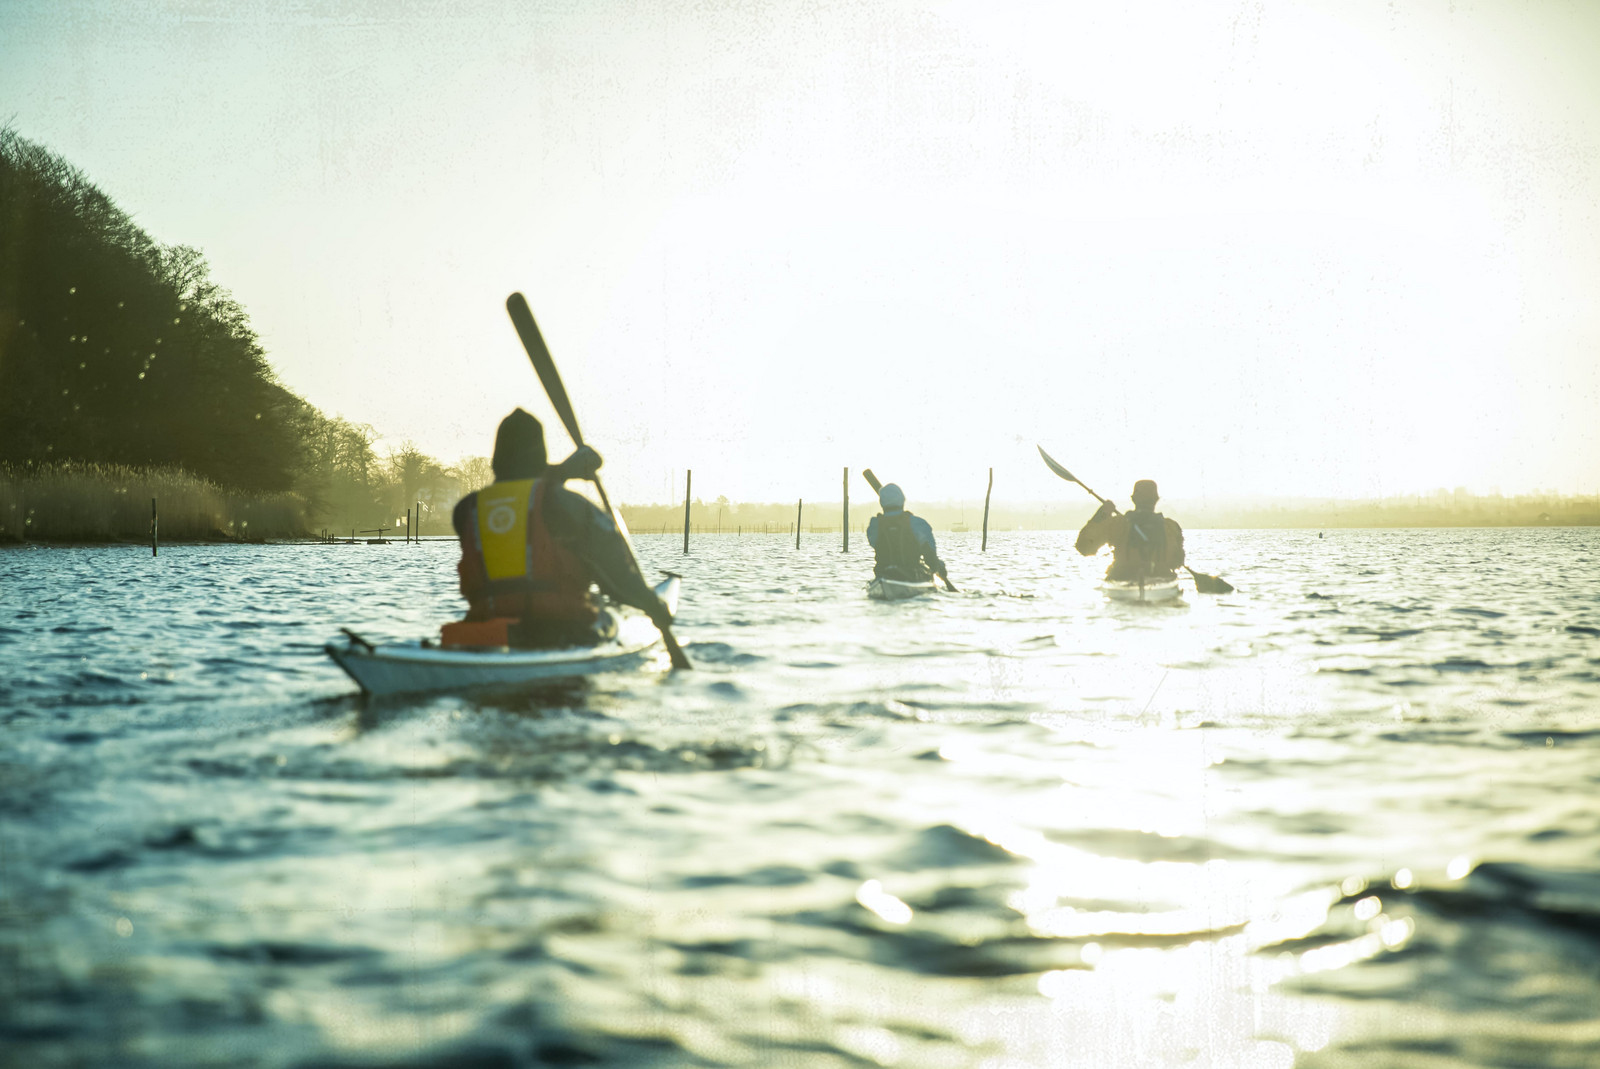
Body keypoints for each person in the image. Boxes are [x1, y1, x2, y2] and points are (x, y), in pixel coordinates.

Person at [449, 408, 673, 648]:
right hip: (561, 633)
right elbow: (618, 583)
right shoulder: (567, 506)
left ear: (496, 460)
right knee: (607, 614)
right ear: (541, 457)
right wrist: (655, 607)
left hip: (484, 635)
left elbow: (518, 491)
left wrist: (564, 471)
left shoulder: (466, 510)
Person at [1074, 479, 1185, 581]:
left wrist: (1102, 513)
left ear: (1133, 499)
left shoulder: (1118, 524)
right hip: (1160, 580)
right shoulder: (1171, 527)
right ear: (1156, 499)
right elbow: (1177, 562)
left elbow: (1084, 548)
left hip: (1123, 579)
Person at [866, 483, 947, 583]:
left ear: (881, 503)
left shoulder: (874, 526)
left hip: (884, 575)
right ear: (902, 500)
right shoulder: (918, 524)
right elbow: (930, 557)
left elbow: (874, 543)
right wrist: (939, 567)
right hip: (911, 575)